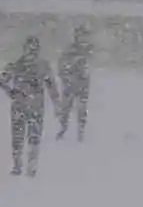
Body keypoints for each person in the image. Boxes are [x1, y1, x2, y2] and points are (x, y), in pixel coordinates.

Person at [1, 36, 57, 177]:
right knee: (22, 138)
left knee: (30, 137)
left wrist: (56, 102)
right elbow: (2, 80)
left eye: (34, 48)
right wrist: (11, 91)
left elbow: (51, 85)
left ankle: (27, 166)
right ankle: (21, 165)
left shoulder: (38, 65)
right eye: (30, 48)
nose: (32, 52)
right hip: (25, 107)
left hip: (29, 107)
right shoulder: (19, 64)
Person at [56, 26, 92, 142]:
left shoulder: (89, 50)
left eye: (85, 36)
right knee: (66, 109)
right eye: (81, 36)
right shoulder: (70, 50)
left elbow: (90, 66)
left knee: (82, 109)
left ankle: (81, 131)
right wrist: (66, 76)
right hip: (70, 85)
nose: (84, 39)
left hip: (83, 85)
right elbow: (62, 65)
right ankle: (63, 129)